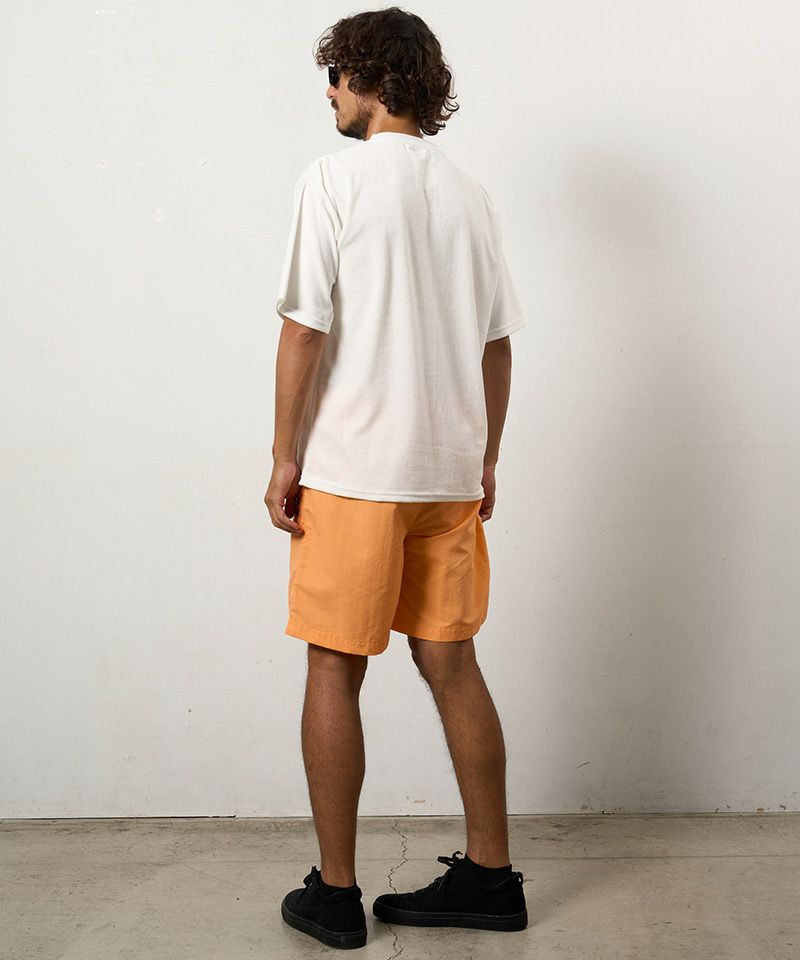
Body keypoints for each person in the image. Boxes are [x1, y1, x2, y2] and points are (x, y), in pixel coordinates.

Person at [265, 6, 528, 950]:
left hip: (357, 470)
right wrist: (485, 456)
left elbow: (304, 328)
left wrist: (284, 454)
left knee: (334, 667)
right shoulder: (470, 194)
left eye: (336, 76)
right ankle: (491, 879)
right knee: (452, 663)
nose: (329, 95)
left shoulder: (333, 178)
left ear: (372, 80)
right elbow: (497, 343)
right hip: (447, 472)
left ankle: (335, 895)